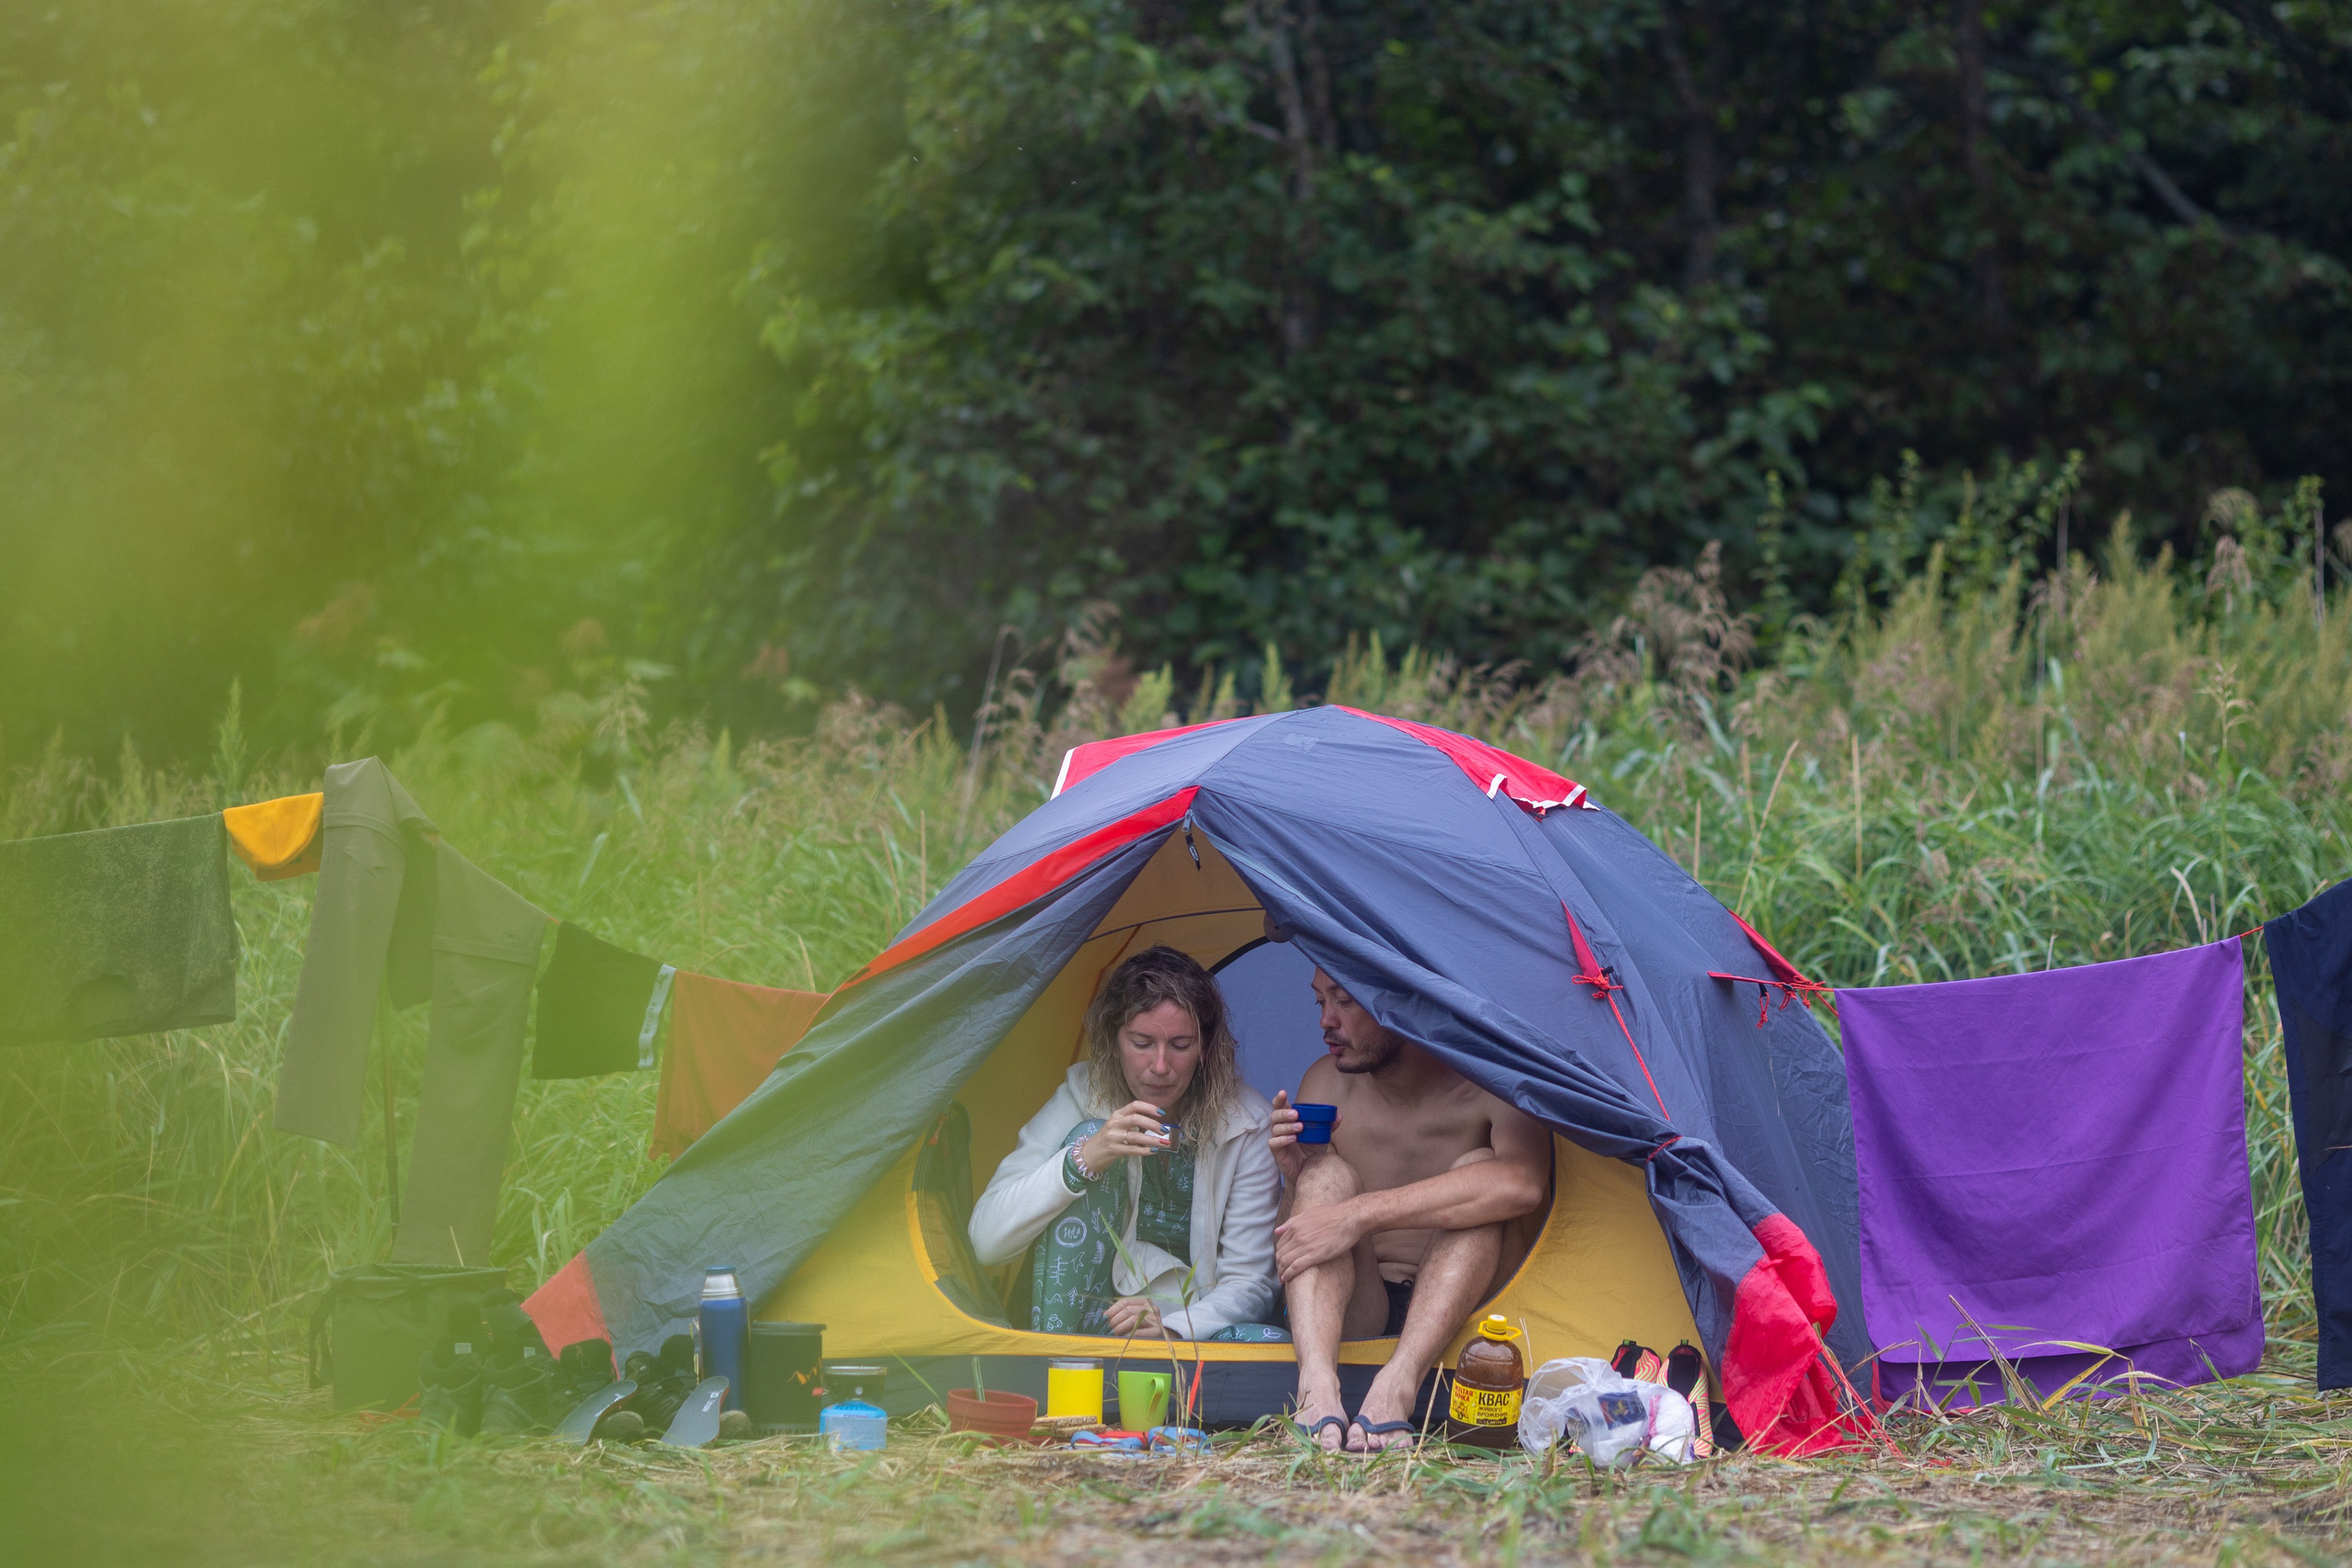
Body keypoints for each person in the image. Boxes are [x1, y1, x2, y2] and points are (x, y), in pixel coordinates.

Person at [1271, 965, 1551, 1451]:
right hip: (1359, 1307)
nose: (1325, 1021)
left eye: (1345, 1001)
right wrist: (1297, 1180)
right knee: (1325, 1174)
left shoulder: (1490, 1081)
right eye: (1320, 1002)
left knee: (1482, 1169)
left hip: (1474, 1321)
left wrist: (1358, 1214)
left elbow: (1523, 1184)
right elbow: (1298, 1238)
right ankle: (1317, 1390)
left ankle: (1396, 1388)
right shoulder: (1325, 1083)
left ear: (1402, 1001)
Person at [969, 946, 1281, 1340]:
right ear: (1114, 1040)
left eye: (1181, 1045)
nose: (1161, 1066)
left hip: (1188, 1328)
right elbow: (986, 1242)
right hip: (1083, 1317)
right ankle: (1059, 1370)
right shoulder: (1082, 1095)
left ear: (1205, 1047)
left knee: (1270, 1342)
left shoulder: (1246, 1124)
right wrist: (1083, 1161)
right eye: (1141, 1042)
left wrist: (1172, 1326)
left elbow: (1251, 1282)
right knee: (1085, 1137)